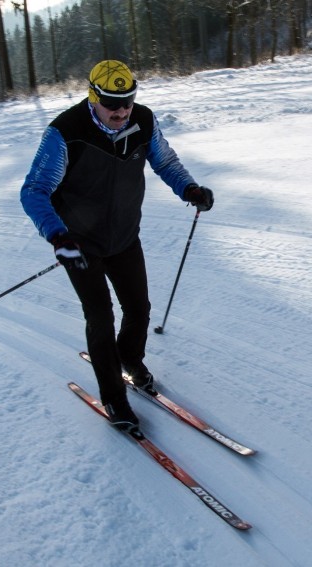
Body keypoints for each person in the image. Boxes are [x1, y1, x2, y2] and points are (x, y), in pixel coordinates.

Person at [20, 60, 214, 432]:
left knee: (139, 309)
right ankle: (113, 397)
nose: (121, 111)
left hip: (124, 235)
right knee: (101, 316)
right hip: (80, 244)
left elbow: (166, 161)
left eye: (127, 101)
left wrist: (189, 189)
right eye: (112, 103)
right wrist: (59, 236)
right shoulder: (65, 133)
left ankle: (129, 359)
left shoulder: (143, 120)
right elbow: (34, 191)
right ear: (93, 97)